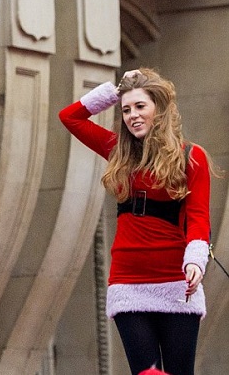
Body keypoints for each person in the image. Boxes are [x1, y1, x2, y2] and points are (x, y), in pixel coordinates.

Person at [59, 68, 213, 375]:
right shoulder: (118, 151)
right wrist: (116, 92)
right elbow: (70, 117)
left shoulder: (191, 157)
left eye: (140, 106)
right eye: (126, 109)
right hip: (128, 282)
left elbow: (198, 217)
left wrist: (195, 261)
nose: (133, 115)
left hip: (176, 282)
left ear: (159, 107)